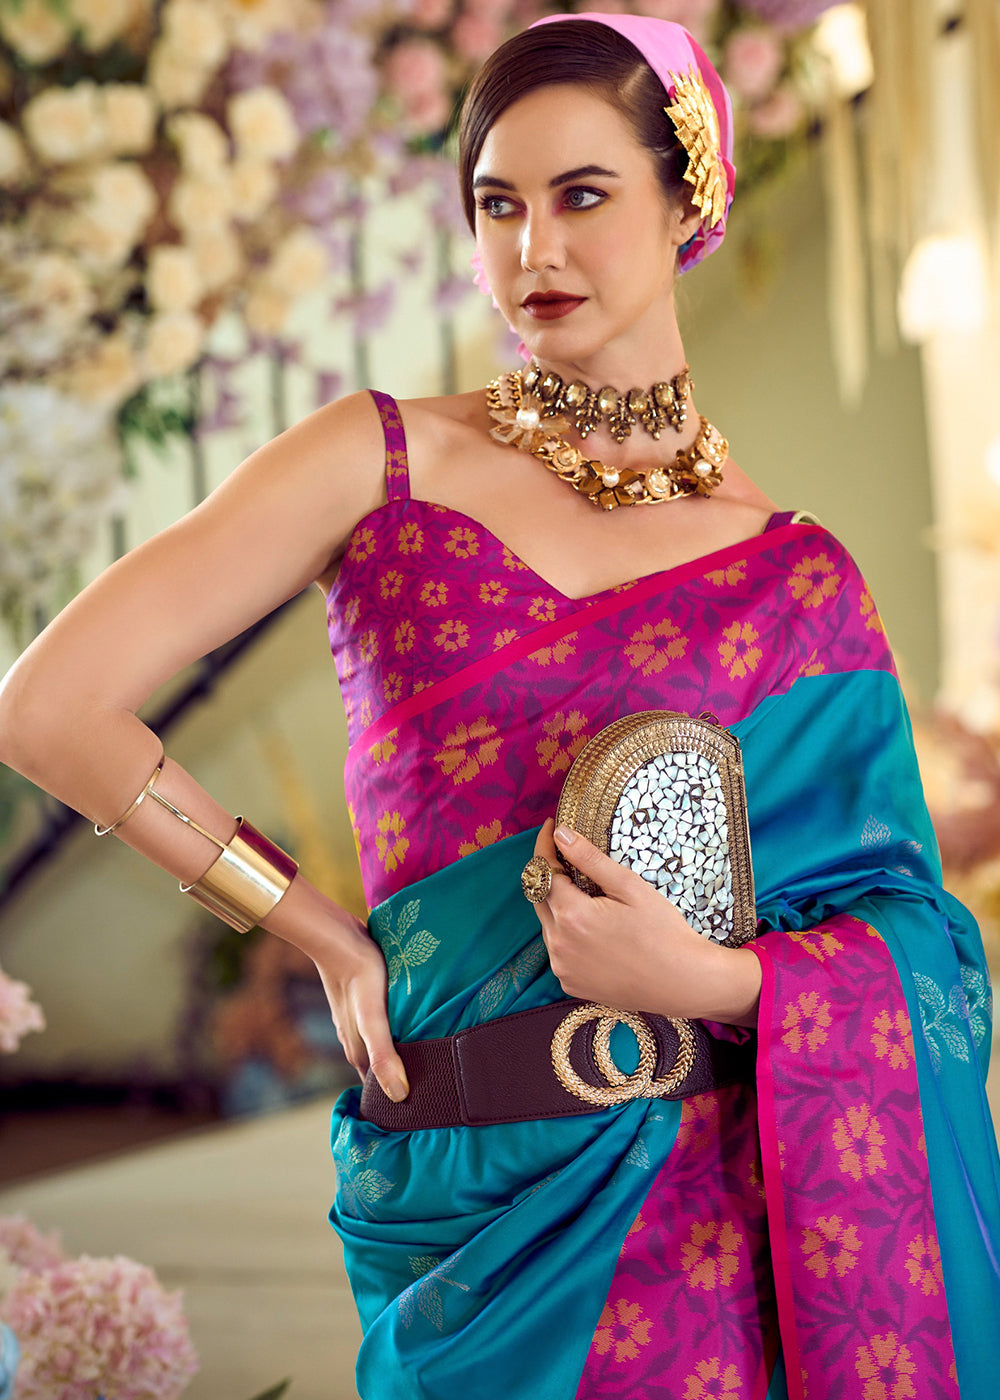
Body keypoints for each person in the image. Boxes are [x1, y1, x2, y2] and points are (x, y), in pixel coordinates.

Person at [1, 11, 998, 1400]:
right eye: (497, 206)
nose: (535, 250)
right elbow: (49, 705)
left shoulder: (800, 580)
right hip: (466, 1202)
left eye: (583, 196)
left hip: (714, 1211)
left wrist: (710, 984)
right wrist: (316, 935)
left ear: (688, 199)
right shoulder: (382, 464)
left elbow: (921, 953)